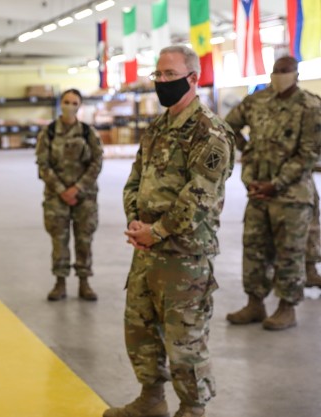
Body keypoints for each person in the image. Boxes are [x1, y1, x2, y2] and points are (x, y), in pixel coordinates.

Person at [108, 45, 235, 417]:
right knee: (140, 329)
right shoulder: (157, 127)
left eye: (169, 75)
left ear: (193, 78)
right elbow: (135, 181)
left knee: (185, 340)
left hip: (185, 257)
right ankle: (152, 399)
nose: (162, 82)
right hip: (146, 251)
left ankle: (193, 408)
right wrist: (135, 221)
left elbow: (200, 196)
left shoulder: (209, 133)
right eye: (158, 75)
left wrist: (158, 231)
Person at [225, 56, 321, 330]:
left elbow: (309, 153)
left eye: (284, 71)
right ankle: (255, 303)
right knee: (254, 248)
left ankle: (286, 307)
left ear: (296, 73)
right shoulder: (257, 101)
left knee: (289, 252)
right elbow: (228, 125)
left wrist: (276, 183)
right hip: (257, 190)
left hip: (291, 195)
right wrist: (248, 151)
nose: (279, 75)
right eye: (276, 71)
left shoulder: (310, 106)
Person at [35, 88, 103, 301]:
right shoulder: (49, 132)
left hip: (85, 197)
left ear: (79, 106)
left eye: (74, 103)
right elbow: (42, 165)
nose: (70, 106)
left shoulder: (87, 132)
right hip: (57, 197)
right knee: (59, 240)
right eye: (66, 101)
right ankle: (60, 282)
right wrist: (62, 190)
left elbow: (97, 161)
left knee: (84, 239)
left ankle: (84, 282)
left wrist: (78, 188)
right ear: (60, 103)